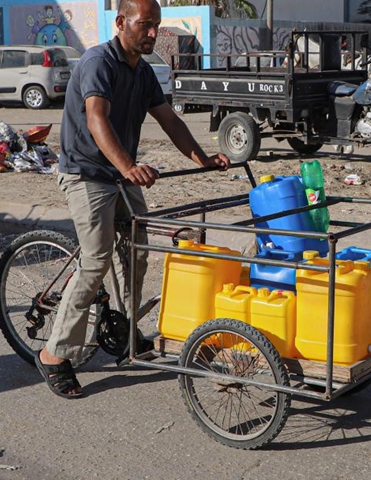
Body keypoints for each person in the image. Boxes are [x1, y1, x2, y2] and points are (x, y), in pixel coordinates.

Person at [36, 0, 231, 399]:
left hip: (119, 174)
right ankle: (55, 354)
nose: (154, 34)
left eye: (157, 26)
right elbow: (96, 118)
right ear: (121, 22)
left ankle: (126, 333)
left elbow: (170, 119)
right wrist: (127, 166)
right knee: (96, 261)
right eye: (146, 25)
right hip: (85, 174)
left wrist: (203, 158)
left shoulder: (142, 72)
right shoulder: (98, 63)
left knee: (137, 251)